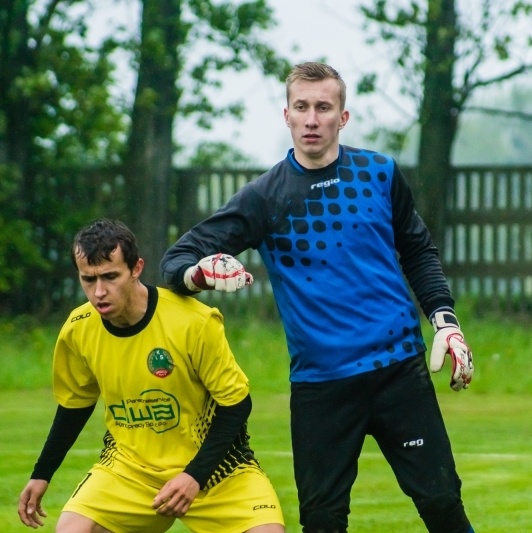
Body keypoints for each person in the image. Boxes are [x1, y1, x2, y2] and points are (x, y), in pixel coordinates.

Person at [160, 61, 475, 533]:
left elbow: (418, 251)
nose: (312, 119)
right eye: (302, 107)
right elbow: (175, 261)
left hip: (398, 373)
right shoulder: (264, 197)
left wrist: (445, 320)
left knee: (442, 502)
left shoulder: (380, 173)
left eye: (323, 108)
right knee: (323, 521)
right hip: (321, 387)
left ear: (342, 118)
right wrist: (199, 275)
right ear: (286, 115)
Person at [18, 219, 284, 533]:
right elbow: (74, 407)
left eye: (110, 276)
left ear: (136, 268)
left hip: (219, 473)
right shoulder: (79, 328)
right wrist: (42, 473)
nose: (99, 291)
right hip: (130, 470)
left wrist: (193, 477)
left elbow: (236, 405)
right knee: (73, 529)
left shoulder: (193, 321)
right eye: (88, 279)